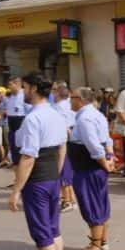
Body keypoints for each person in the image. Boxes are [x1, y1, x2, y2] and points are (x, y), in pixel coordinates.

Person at [8, 73, 69, 250]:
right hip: (52, 177)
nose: (22, 91)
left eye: (24, 87)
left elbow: (28, 156)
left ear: (33, 88)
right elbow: (62, 147)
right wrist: (57, 174)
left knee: (42, 234)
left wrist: (16, 190)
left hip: (37, 181)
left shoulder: (33, 118)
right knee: (53, 229)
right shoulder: (56, 114)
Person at [69, 87, 115, 250]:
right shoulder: (97, 115)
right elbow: (107, 140)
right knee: (100, 204)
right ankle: (101, 241)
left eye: (72, 97)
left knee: (92, 205)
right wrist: (109, 157)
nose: (69, 101)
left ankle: (96, 247)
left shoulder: (85, 119)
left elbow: (94, 146)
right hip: (93, 167)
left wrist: (105, 163)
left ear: (80, 99)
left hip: (88, 168)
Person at [52, 82, 78, 213]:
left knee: (63, 169)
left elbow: (62, 124)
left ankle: (67, 200)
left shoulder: (57, 107)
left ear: (57, 93)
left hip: (62, 138)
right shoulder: (69, 104)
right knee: (67, 169)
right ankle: (71, 200)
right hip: (71, 136)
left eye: (54, 91)